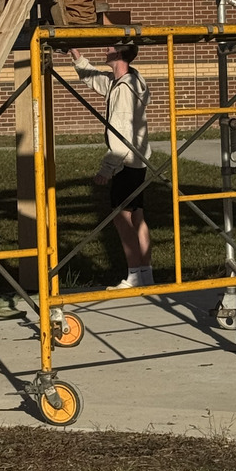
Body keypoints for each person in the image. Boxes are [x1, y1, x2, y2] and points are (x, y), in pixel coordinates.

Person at [69, 41, 153, 289]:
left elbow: (122, 132)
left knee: (121, 217)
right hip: (137, 160)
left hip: (126, 160)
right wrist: (77, 55)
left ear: (118, 54)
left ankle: (135, 274)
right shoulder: (125, 81)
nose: (105, 48)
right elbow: (94, 79)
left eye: (110, 47)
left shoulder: (124, 90)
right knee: (136, 214)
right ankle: (145, 273)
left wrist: (107, 169)